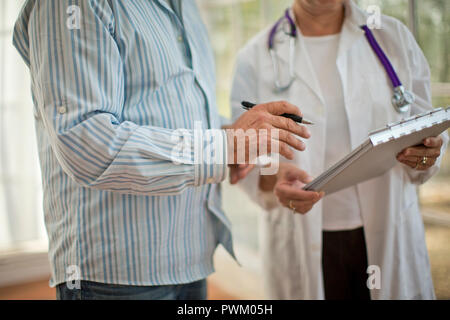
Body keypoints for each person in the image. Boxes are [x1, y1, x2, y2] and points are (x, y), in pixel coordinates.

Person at [13, 0, 314, 300]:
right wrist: (223, 147)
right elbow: (85, 142)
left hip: (189, 258)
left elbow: (174, 114)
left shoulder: (186, 7)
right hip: (116, 276)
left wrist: (240, 147)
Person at [231, 0, 448, 299]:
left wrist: (428, 153)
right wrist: (274, 177)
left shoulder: (392, 37)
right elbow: (244, 157)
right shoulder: (255, 56)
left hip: (389, 229)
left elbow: (427, 127)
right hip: (303, 238)